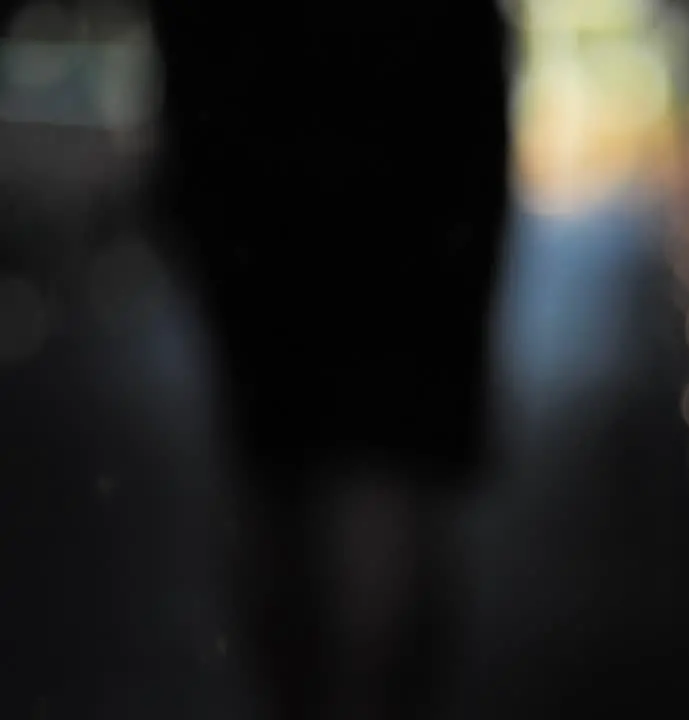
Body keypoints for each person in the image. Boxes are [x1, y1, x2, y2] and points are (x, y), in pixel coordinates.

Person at [147, 3, 510, 717]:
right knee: (373, 472)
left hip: (267, 180)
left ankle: (317, 690)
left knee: (292, 472)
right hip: (400, 195)